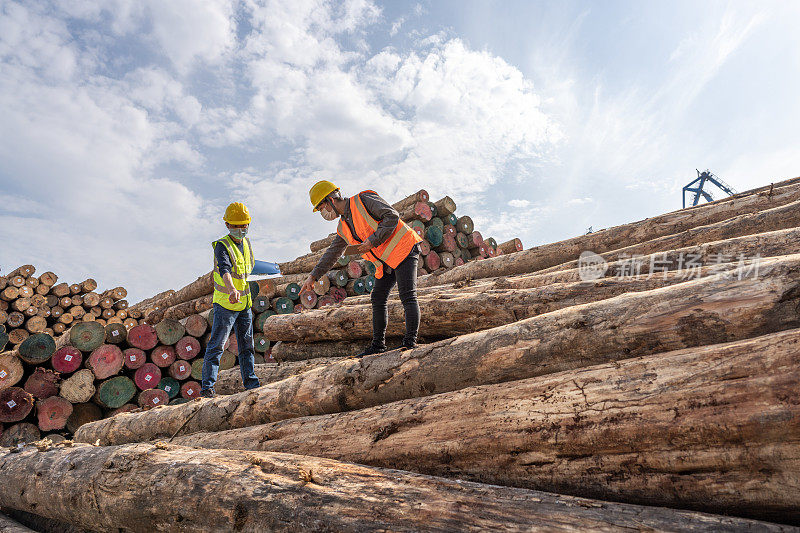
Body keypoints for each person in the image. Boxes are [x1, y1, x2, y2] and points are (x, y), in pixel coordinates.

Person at [302, 180, 423, 356]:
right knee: (378, 297)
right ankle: (378, 346)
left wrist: (372, 241)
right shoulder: (343, 226)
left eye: (321, 208)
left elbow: (392, 216)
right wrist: (313, 276)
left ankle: (410, 344)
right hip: (387, 260)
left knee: (407, 294)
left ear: (331, 200)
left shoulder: (364, 200)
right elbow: (333, 253)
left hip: (404, 247)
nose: (323, 213)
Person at [201, 202, 260, 398]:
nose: (241, 229)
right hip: (226, 303)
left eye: (244, 225)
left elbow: (250, 267)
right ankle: (207, 388)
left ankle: (251, 383)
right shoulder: (222, 246)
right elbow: (224, 269)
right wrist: (232, 288)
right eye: (237, 226)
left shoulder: (247, 244)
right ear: (227, 225)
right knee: (217, 345)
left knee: (247, 346)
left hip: (244, 304)